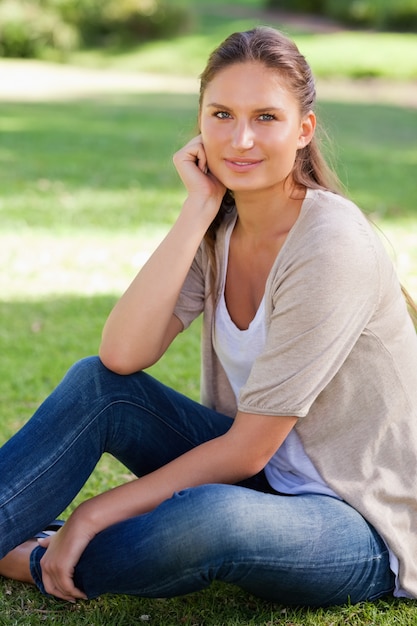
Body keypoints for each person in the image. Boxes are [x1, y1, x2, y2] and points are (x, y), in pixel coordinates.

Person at [1, 25, 417, 609]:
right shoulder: (221, 226)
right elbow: (121, 356)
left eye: (266, 117)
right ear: (199, 121)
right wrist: (197, 209)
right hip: (266, 477)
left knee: (209, 517)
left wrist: (97, 510)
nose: (240, 138)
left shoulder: (330, 244)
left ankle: (40, 559)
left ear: (304, 130)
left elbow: (246, 450)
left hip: (357, 522)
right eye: (221, 113)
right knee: (98, 386)